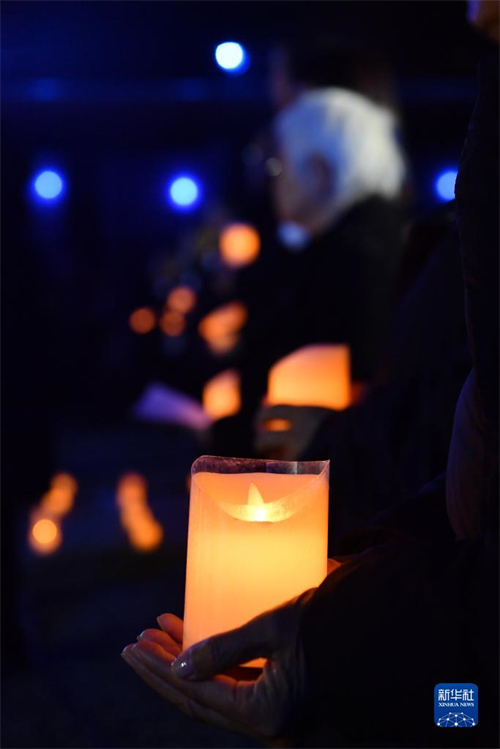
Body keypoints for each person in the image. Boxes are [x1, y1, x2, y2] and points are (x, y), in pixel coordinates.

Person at [122, 5, 498, 746]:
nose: (475, 10)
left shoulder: (370, 256)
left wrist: (334, 642)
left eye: (281, 158)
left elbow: (423, 410)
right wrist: (354, 593)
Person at [211, 84, 408, 456]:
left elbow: (371, 393)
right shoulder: (360, 247)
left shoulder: (354, 261)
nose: (271, 183)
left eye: (278, 165)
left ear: (318, 172)